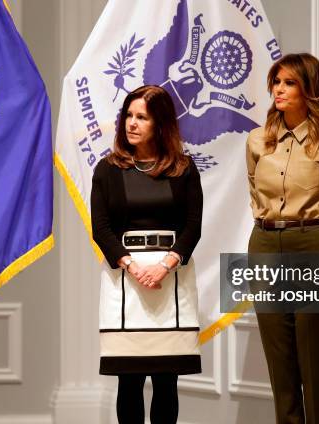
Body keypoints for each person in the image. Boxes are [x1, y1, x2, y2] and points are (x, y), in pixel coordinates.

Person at [245, 53, 319, 423]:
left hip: (313, 244)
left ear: (309, 89)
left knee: (313, 359)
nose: (278, 90)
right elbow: (254, 192)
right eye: (276, 82)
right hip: (264, 246)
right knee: (280, 364)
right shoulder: (256, 140)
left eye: (289, 82)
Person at [91, 85, 203, 424]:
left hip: (172, 279)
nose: (132, 123)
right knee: (129, 380)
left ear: (161, 124)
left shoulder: (183, 168)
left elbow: (192, 227)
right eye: (129, 115)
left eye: (142, 117)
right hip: (125, 280)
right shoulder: (108, 169)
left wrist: (165, 266)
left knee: (167, 380)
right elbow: (102, 228)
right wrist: (134, 267)